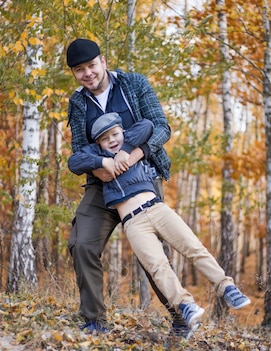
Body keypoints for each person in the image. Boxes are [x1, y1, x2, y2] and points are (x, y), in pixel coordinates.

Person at [68, 112, 251, 329]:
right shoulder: (100, 156)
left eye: (115, 134)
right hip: (133, 222)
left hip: (157, 210)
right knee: (157, 265)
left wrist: (125, 151)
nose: (112, 140)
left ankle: (227, 287)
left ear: (123, 132)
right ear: (99, 143)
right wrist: (103, 160)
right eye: (105, 139)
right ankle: (184, 304)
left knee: (193, 247)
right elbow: (75, 161)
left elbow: (147, 125)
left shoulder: (131, 147)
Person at [65, 38, 188, 335]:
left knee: (152, 254)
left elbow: (160, 127)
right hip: (102, 184)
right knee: (81, 245)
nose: (88, 73)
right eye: (79, 70)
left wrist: (130, 154)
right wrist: (102, 166)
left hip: (142, 179)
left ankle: (182, 319)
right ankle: (95, 321)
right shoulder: (78, 102)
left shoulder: (134, 84)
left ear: (103, 61)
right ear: (74, 73)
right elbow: (79, 149)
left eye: (92, 65)